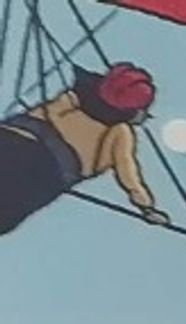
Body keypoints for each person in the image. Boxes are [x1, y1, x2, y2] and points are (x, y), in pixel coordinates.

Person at [0, 62, 170, 237]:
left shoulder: (73, 98)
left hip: (11, 135)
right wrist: (146, 207)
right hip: (45, 169)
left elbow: (41, 112)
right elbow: (128, 175)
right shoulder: (120, 132)